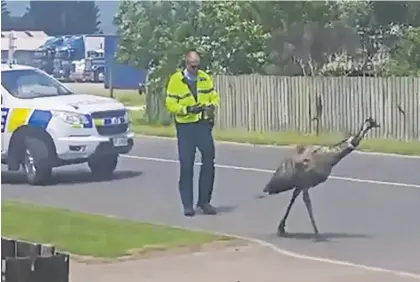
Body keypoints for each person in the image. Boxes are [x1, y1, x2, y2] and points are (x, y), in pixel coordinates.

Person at [165, 50, 220, 217]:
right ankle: (187, 204)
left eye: (198, 66)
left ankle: (204, 201)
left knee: (209, 159)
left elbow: (213, 96)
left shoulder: (204, 77)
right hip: (186, 126)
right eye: (193, 66)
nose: (196, 69)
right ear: (186, 64)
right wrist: (187, 109)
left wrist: (212, 106)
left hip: (202, 124)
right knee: (187, 164)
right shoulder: (176, 80)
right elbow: (170, 103)